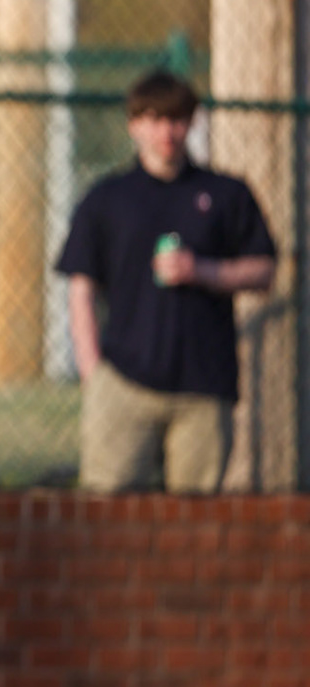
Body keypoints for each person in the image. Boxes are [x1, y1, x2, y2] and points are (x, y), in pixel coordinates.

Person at [55, 70, 277, 494]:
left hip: (203, 387)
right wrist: (93, 373)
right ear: (134, 125)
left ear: (191, 123)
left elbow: (264, 269)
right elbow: (80, 289)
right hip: (123, 384)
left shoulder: (226, 194)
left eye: (176, 119)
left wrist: (204, 271)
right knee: (108, 513)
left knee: (192, 527)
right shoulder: (106, 199)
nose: (166, 132)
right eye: (154, 119)